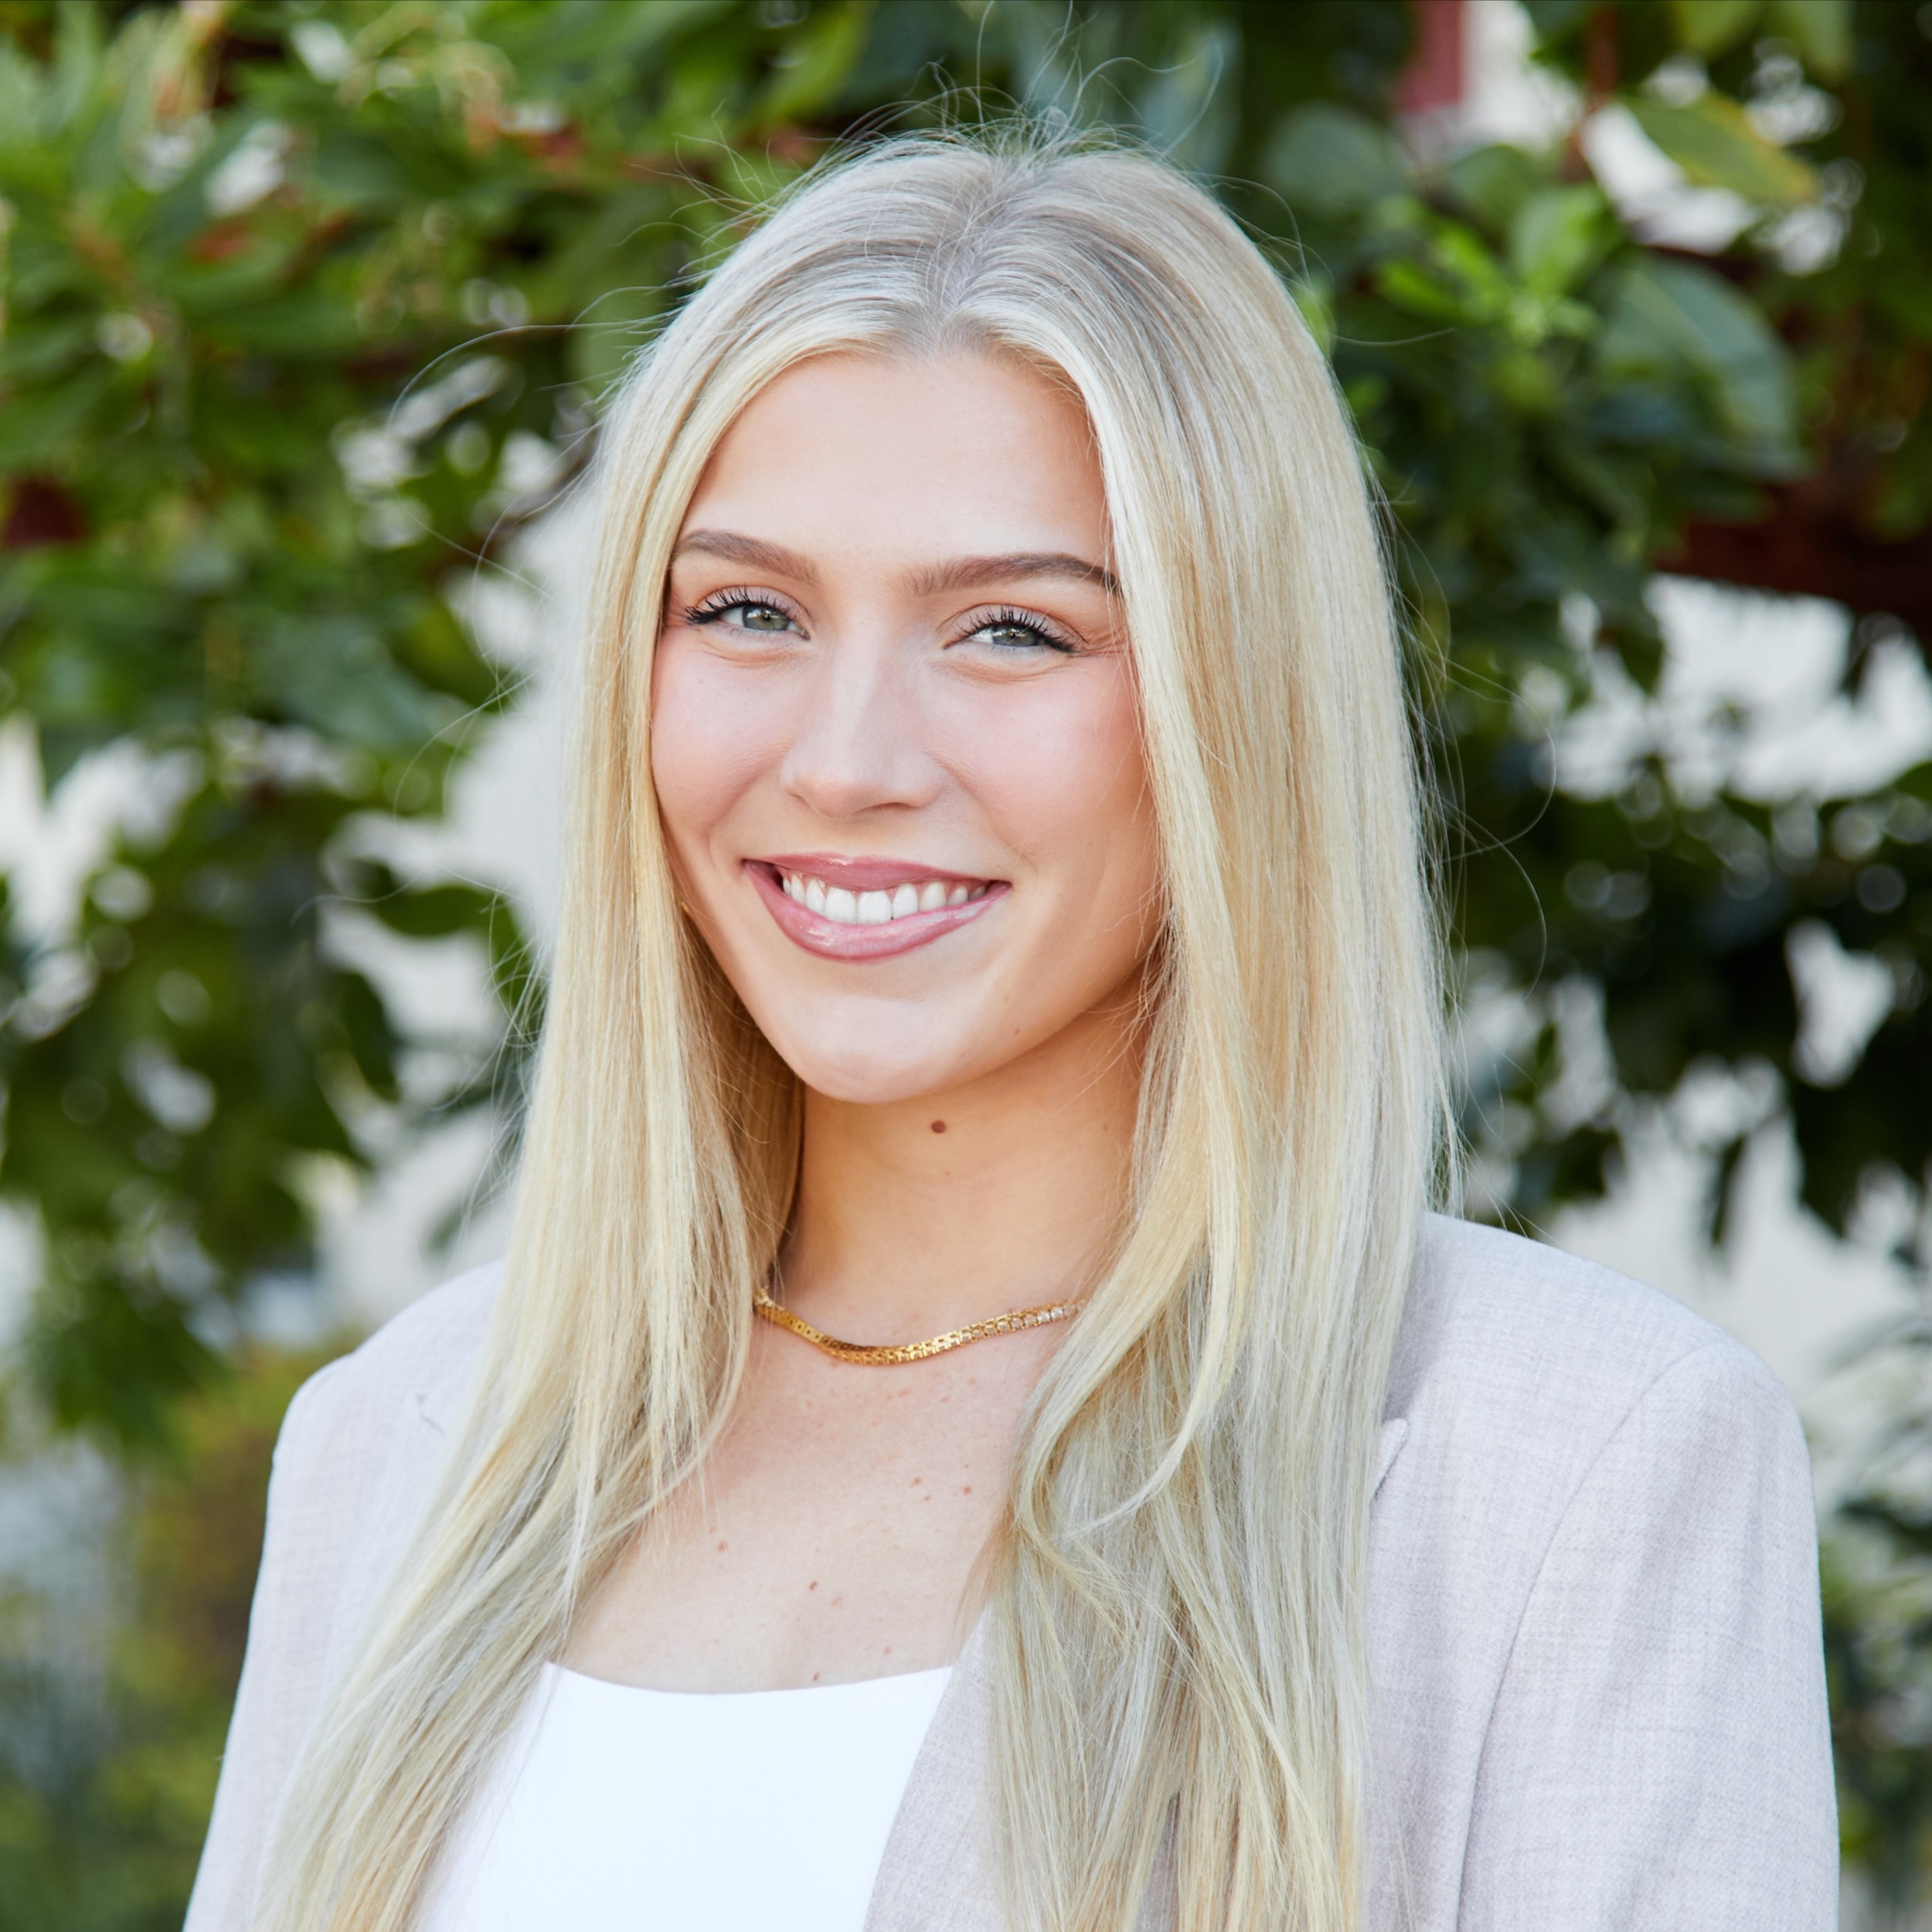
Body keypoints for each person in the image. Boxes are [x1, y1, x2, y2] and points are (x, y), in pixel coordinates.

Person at [185, 131, 1835, 1932]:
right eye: (747, 609)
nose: (842, 758)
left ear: (1232, 706)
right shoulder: (401, 1438)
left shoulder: (1576, 1463)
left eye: (1008, 629)